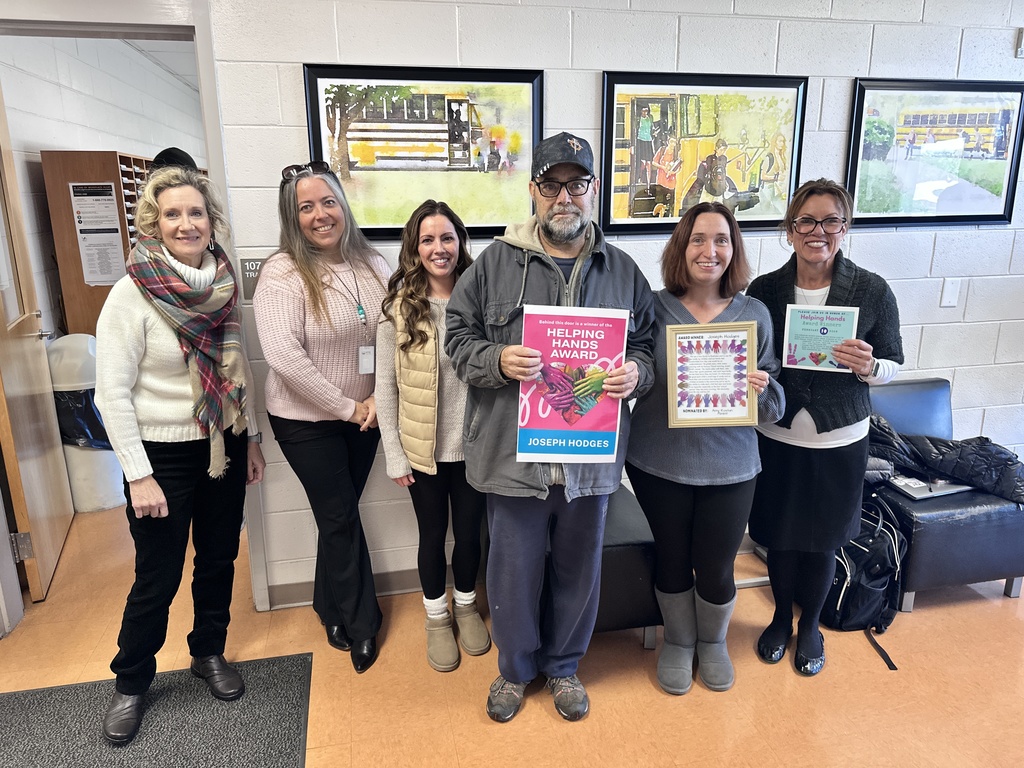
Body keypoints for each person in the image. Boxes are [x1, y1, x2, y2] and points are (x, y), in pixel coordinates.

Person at [446, 131, 656, 723]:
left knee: (578, 570)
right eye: (553, 184)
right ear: (534, 189)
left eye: (578, 184)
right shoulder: (492, 264)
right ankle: (515, 672)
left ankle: (564, 667)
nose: (565, 196)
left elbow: (645, 347)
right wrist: (498, 361)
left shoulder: (622, 269)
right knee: (512, 575)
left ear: (592, 190)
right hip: (516, 461)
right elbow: (456, 340)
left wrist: (635, 373)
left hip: (589, 461)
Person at [95, 162, 266, 744]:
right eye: (173, 214)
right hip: (160, 457)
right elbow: (110, 393)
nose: (186, 223)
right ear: (154, 222)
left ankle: (207, 652)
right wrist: (137, 475)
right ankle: (131, 683)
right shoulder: (131, 294)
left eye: (195, 212)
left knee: (218, 561)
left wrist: (251, 439)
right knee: (157, 576)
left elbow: (239, 371)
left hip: (223, 442)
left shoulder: (222, 285)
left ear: (209, 221)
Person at [625, 202, 785, 695]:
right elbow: (635, 370)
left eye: (720, 239)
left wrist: (762, 391)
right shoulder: (651, 307)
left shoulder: (753, 313)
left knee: (716, 566)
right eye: (697, 239)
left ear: (733, 249)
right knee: (671, 559)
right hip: (657, 462)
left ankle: (712, 642)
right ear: (681, 246)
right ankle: (678, 641)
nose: (708, 250)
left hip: (732, 467)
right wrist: (630, 377)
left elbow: (774, 400)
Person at [746, 178, 903, 676]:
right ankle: (778, 619)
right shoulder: (764, 289)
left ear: (845, 226)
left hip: (841, 438)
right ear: (790, 230)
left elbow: (894, 361)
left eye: (830, 220)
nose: (818, 231)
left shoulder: (873, 289)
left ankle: (810, 625)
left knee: (823, 539)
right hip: (778, 434)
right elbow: (751, 353)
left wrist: (869, 365)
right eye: (806, 221)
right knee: (780, 535)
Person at [253, 160, 389, 674]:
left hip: (366, 414)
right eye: (305, 207)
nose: (319, 214)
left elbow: (393, 333)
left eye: (327, 201)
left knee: (340, 514)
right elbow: (284, 358)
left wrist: (377, 397)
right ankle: (362, 625)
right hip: (305, 419)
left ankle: (327, 605)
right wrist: (349, 407)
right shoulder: (282, 272)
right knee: (338, 515)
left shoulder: (374, 264)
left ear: (342, 205)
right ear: (293, 217)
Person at [375, 200, 490, 673]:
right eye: (427, 239)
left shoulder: (483, 301)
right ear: (414, 247)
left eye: (447, 238)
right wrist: (395, 457)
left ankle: (466, 605)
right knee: (430, 536)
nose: (438, 248)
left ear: (460, 242)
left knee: (469, 536)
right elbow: (384, 390)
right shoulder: (399, 310)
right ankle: (436, 616)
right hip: (422, 452)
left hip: (476, 449)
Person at [651, 137, 679, 216]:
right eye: (671, 142)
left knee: (670, 200)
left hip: (671, 180)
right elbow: (654, 162)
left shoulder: (676, 153)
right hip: (661, 179)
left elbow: (679, 166)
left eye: (674, 143)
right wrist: (662, 167)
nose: (673, 144)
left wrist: (673, 171)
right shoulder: (662, 150)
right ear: (668, 142)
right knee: (660, 200)